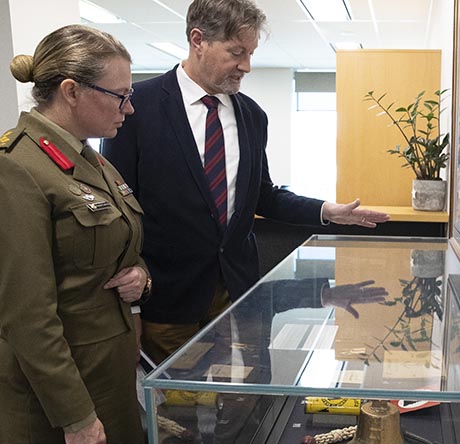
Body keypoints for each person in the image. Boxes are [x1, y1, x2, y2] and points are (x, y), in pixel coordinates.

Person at [101, 0, 390, 364]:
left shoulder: (252, 115)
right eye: (237, 52)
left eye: (250, 53)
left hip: (238, 294)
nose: (247, 66)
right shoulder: (135, 108)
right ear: (198, 40)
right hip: (166, 298)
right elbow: (118, 210)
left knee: (245, 401)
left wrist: (326, 211)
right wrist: (133, 310)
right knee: (177, 408)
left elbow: (263, 196)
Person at [0, 25, 147, 444]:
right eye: (121, 96)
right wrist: (76, 417)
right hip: (58, 400)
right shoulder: (17, 166)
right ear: (71, 91)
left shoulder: (91, 160)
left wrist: (141, 279)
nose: (129, 109)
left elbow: (120, 250)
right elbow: (27, 316)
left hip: (108, 378)